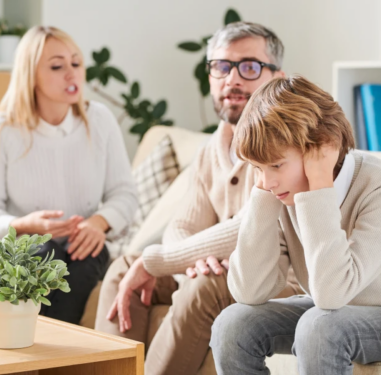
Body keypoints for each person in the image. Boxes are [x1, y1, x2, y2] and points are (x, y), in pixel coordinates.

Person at [95, 22, 301, 374]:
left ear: (276, 77)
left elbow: (252, 226)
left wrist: (177, 259)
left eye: (249, 67)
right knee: (125, 269)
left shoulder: (286, 143)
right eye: (221, 67)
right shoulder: (213, 147)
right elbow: (183, 224)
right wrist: (190, 259)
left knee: (204, 285)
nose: (232, 80)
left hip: (279, 280)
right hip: (219, 270)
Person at [210, 75, 381, 375]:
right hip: (334, 309)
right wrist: (262, 197)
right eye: (257, 167)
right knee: (232, 324)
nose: (267, 182)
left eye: (276, 165)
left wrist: (319, 188)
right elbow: (249, 291)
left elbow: (333, 293)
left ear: (324, 147)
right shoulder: (281, 192)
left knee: (320, 327)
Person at [0, 26, 138, 325]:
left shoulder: (100, 120)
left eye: (76, 63)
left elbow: (124, 193)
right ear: (29, 75)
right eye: (57, 66)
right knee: (46, 252)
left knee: (89, 256)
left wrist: (98, 223)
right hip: (13, 253)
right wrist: (24, 226)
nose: (72, 74)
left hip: (78, 251)